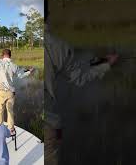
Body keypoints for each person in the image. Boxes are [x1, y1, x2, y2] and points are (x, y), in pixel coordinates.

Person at [45, 33, 118, 165]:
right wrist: (106, 64)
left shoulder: (52, 45)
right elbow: (79, 76)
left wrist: (97, 62)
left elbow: (74, 67)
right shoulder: (55, 44)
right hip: (49, 123)